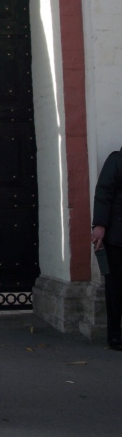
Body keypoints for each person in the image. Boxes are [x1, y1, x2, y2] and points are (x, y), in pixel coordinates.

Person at [91, 146, 122, 351]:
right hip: (117, 237)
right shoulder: (116, 160)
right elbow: (104, 193)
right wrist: (100, 225)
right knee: (115, 288)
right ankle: (115, 335)